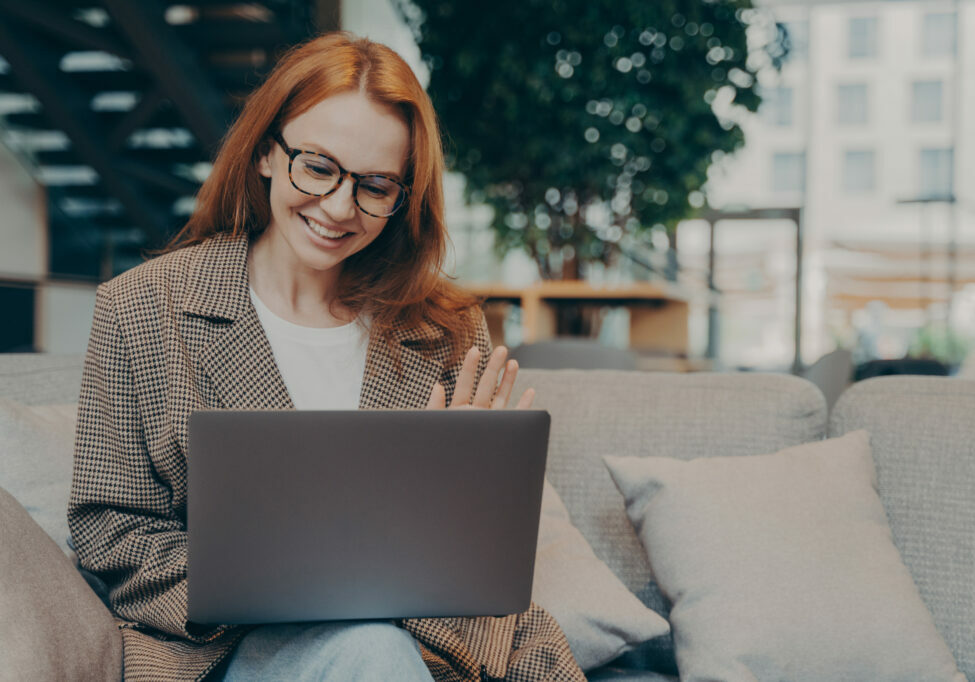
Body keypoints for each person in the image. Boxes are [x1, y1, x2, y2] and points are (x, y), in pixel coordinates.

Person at [68, 32, 583, 682]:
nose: (339, 207)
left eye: (375, 185)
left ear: (404, 194)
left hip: (419, 651)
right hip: (229, 650)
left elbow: (479, 567)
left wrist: (446, 502)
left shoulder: (447, 327)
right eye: (317, 166)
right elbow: (109, 529)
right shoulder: (141, 309)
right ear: (263, 151)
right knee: (369, 652)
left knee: (377, 649)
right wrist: (262, 578)